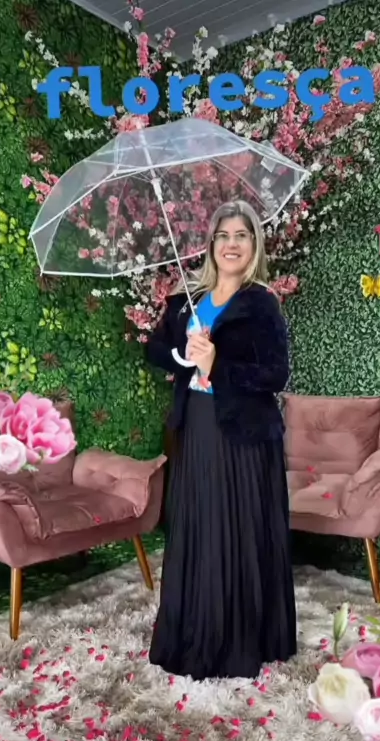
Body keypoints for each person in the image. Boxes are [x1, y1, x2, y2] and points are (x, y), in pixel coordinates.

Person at [146, 200, 296, 680]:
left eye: (241, 236)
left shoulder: (261, 304)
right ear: (211, 244)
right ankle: (195, 630)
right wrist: (184, 355)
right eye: (223, 236)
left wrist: (218, 365)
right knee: (199, 525)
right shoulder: (187, 300)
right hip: (197, 426)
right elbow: (155, 349)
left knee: (237, 530)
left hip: (244, 434)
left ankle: (238, 641)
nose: (232, 244)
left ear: (254, 245)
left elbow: (276, 374)